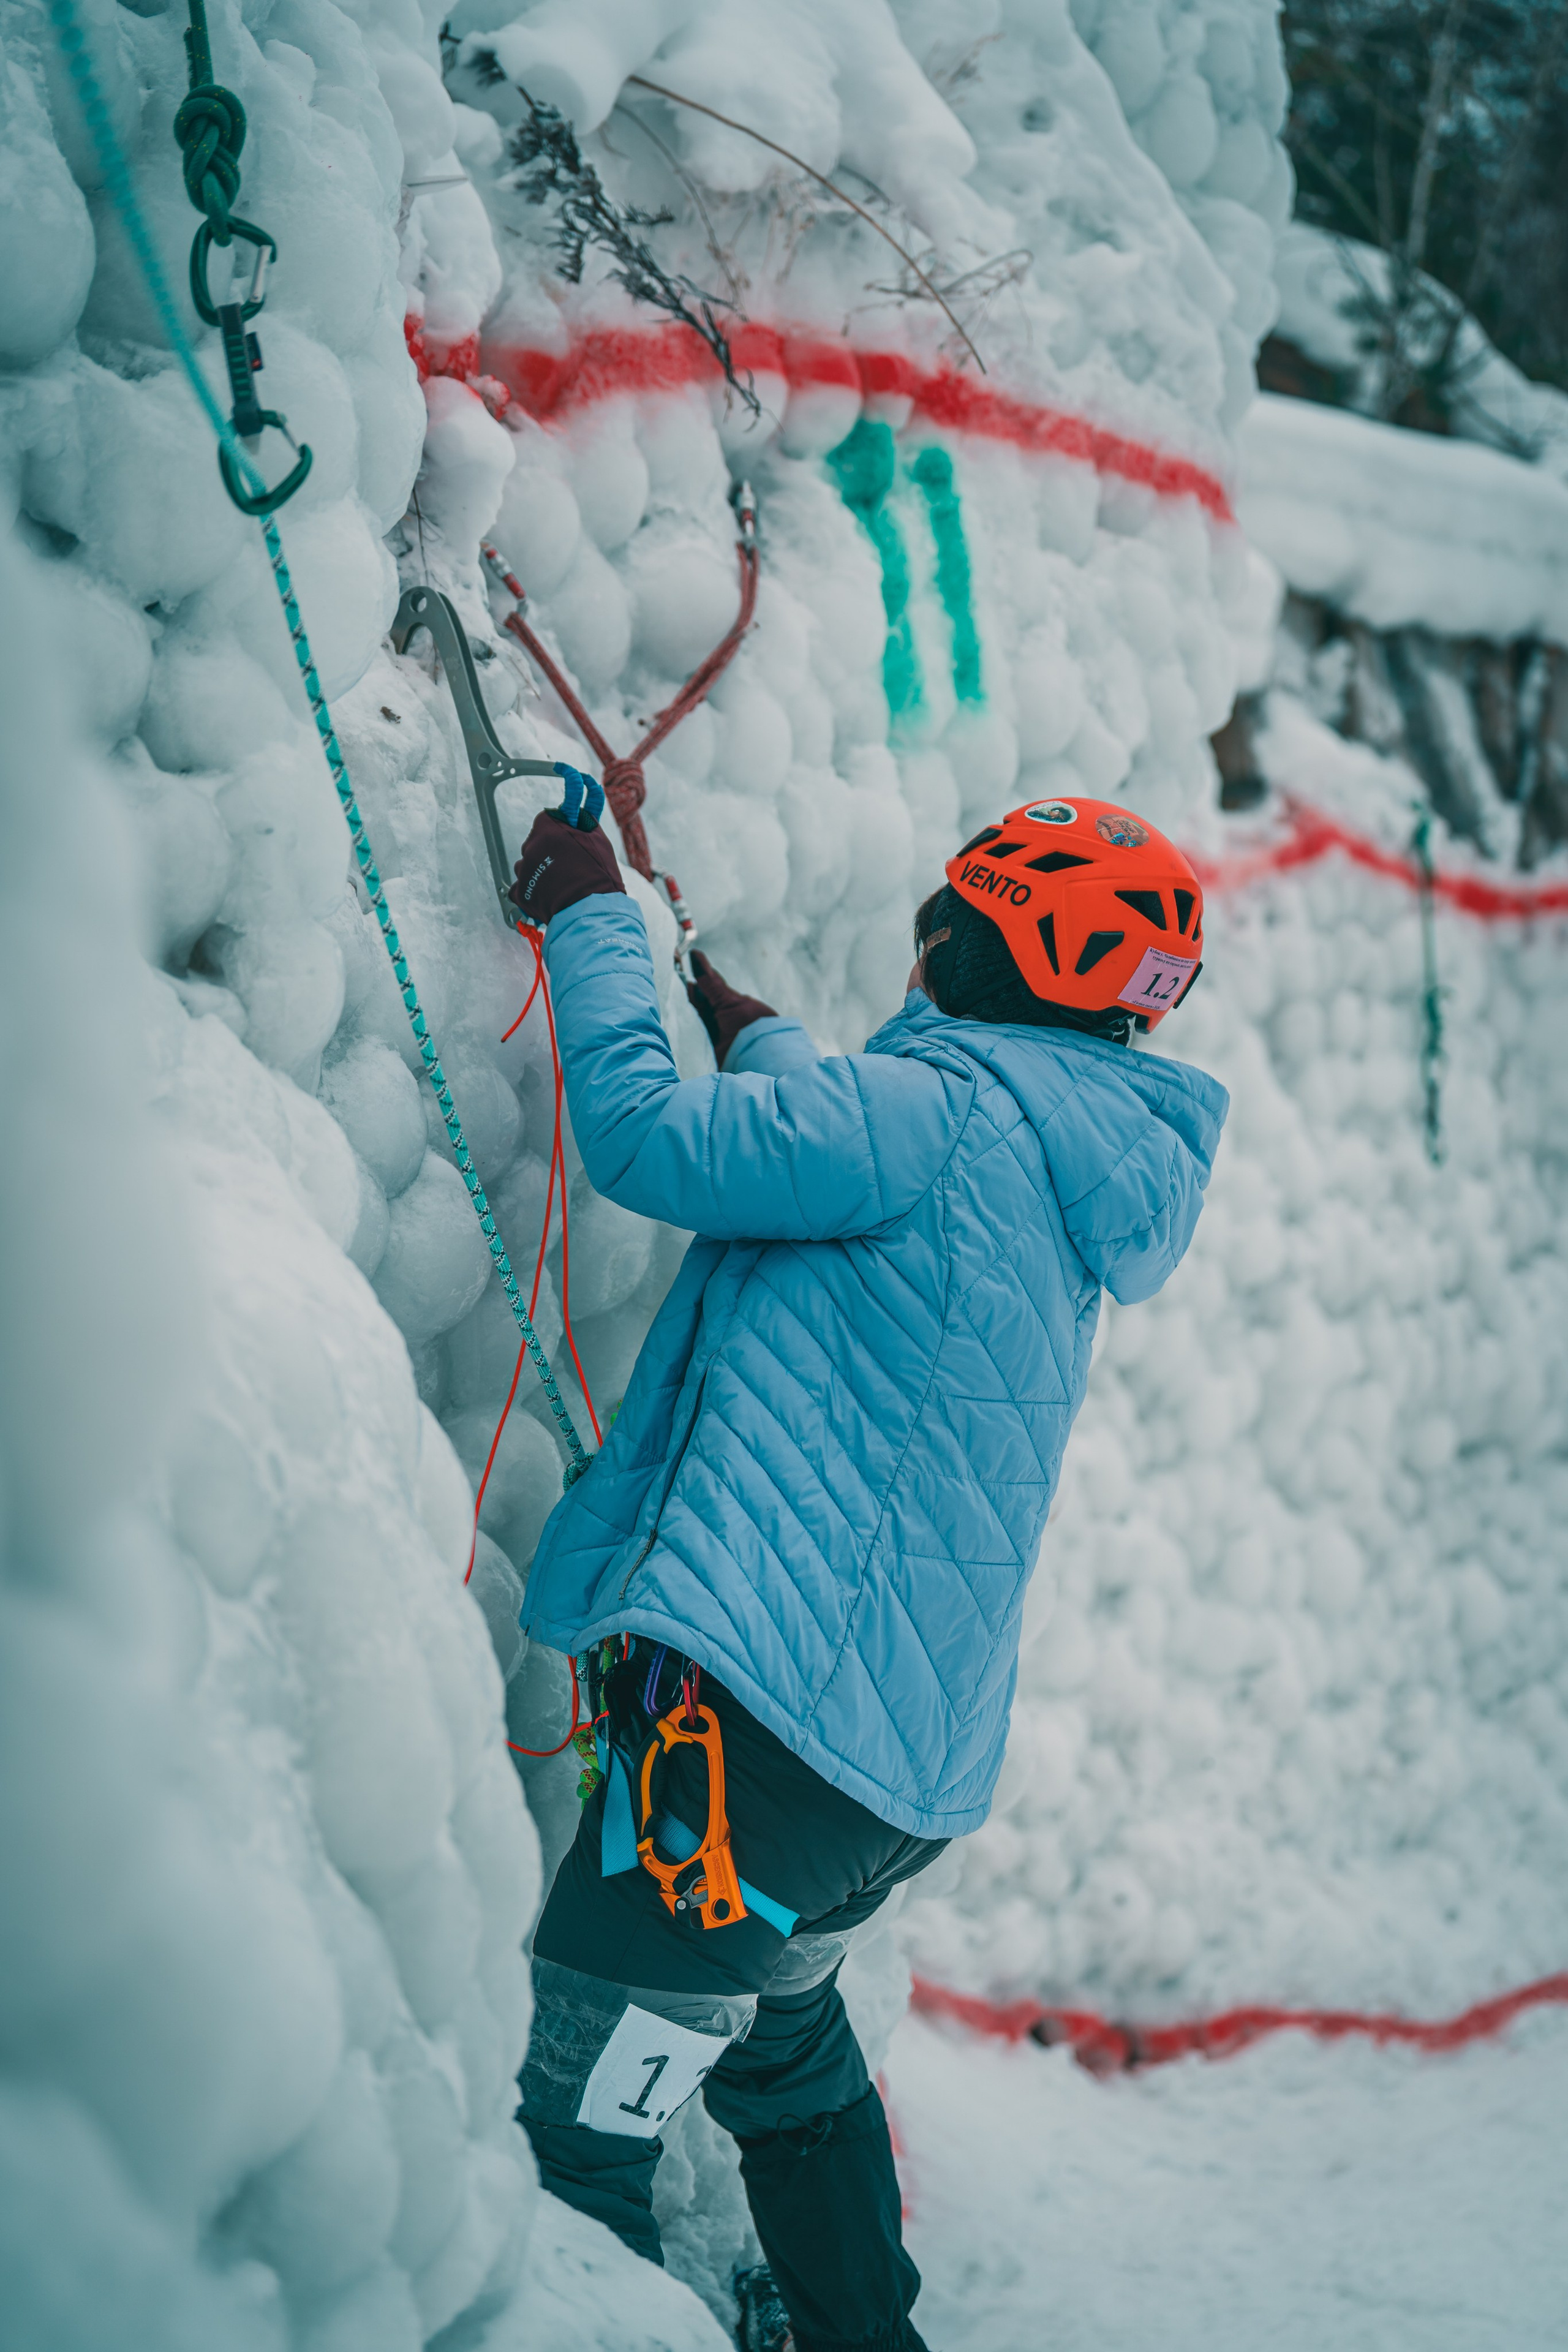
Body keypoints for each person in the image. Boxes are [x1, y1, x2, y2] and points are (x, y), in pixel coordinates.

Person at [508, 776, 1229, 2352]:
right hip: (875, 1793)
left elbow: (646, 1139)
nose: (922, 946)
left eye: (944, 922)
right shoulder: (1053, 1149)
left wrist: (590, 920)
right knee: (779, 2050)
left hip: (748, 1754)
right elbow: (855, 1153)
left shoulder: (922, 1116)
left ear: (983, 950)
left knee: (573, 2141)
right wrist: (761, 1034)